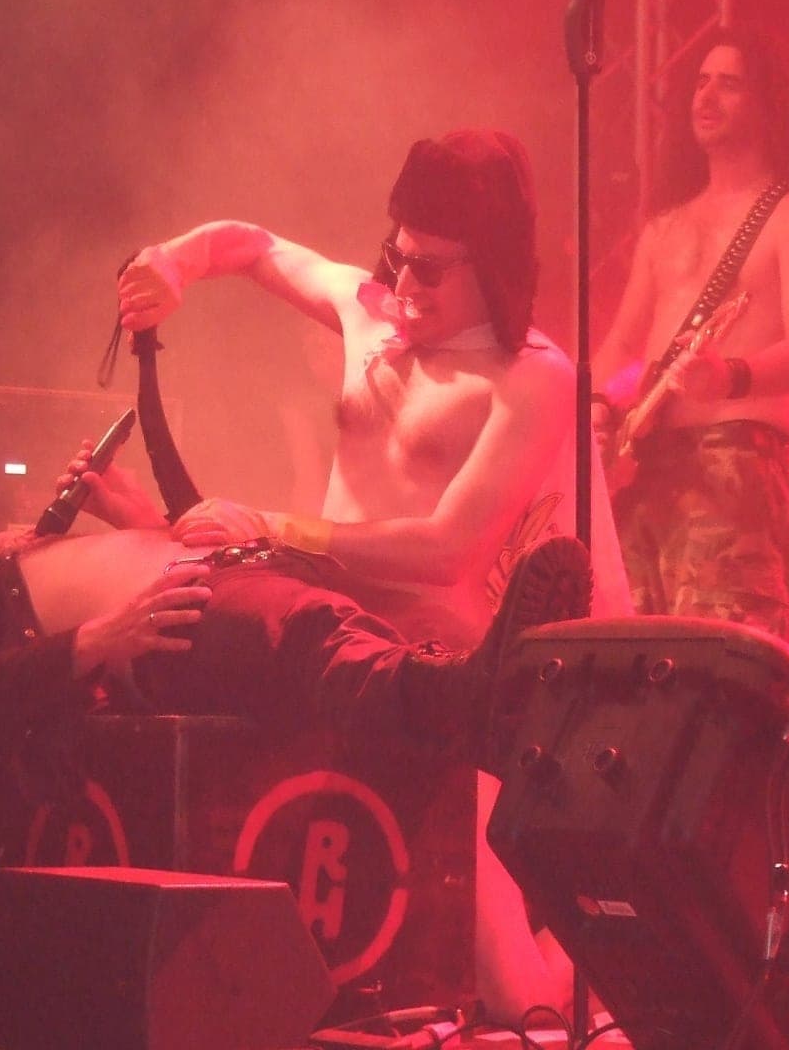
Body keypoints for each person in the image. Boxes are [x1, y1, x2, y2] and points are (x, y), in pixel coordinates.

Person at [115, 129, 629, 1019]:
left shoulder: (532, 379)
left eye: (430, 268)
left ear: (492, 266)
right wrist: (173, 262)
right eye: (397, 256)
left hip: (441, 679)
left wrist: (275, 526)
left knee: (513, 988)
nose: (404, 285)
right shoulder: (369, 313)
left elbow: (448, 548)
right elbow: (256, 247)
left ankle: (599, 994)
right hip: (326, 648)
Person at [0, 473, 594, 1012]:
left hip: (235, 572)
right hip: (182, 615)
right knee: (305, 630)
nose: (17, 532)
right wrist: (99, 638)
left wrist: (137, 514)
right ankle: (468, 699)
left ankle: (491, 705)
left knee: (401, 625)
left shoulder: (58, 553)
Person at [592, 27, 789, 635]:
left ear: (768, 105)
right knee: (626, 654)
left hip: (735, 470)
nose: (706, 96)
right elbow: (623, 344)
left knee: (713, 661)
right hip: (646, 474)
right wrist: (597, 406)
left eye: (729, 84)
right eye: (701, 82)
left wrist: (728, 376)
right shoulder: (664, 226)